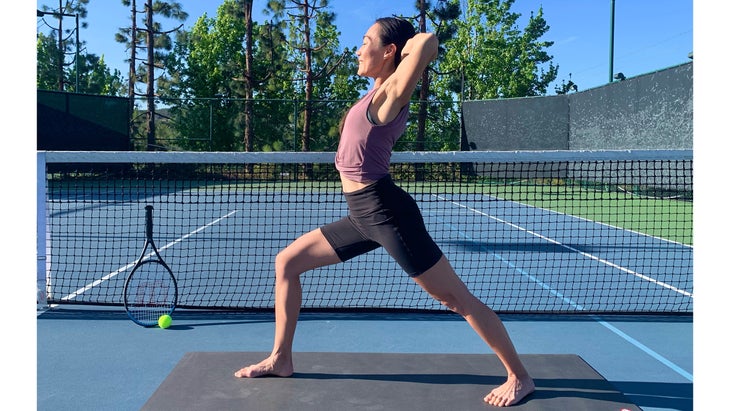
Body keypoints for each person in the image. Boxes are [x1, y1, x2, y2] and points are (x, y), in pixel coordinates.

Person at [234, 17, 535, 407]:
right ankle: (281, 358)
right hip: (361, 214)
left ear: (390, 51)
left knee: (455, 299)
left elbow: (426, 41)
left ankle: (519, 376)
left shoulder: (391, 93)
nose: (358, 50)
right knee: (287, 262)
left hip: (387, 213)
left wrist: (408, 50)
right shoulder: (372, 92)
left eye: (366, 42)